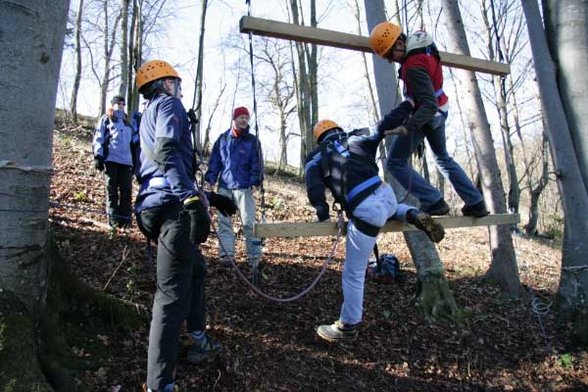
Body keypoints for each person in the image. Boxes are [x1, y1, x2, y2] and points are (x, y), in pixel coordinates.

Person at [134, 59, 237, 392]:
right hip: (173, 209)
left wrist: (210, 197)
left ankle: (197, 337)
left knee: (196, 271)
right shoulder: (168, 104)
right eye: (176, 83)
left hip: (155, 205)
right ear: (165, 84)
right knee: (171, 295)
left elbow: (159, 169)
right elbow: (167, 153)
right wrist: (191, 202)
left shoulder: (146, 115)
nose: (180, 90)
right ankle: (159, 384)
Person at [305, 101, 445, 343]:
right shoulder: (357, 139)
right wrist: (408, 105)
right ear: (337, 130)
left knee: (353, 273)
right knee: (389, 209)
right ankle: (411, 213)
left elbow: (315, 190)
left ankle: (347, 326)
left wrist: (322, 213)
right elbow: (383, 125)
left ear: (319, 139)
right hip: (386, 194)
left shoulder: (316, 159)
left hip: (366, 208)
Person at [369, 22, 489, 218]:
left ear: (400, 42)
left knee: (395, 162)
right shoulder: (422, 47)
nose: (391, 60)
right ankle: (475, 202)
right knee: (443, 158)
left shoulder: (412, 66)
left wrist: (409, 126)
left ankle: (433, 200)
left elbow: (428, 105)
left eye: (390, 54)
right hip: (441, 111)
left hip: (427, 115)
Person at [204, 106, 264, 274]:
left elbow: (256, 163)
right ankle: (226, 255)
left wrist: (255, 182)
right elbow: (215, 162)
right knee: (224, 223)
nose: (244, 120)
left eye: (246, 117)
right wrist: (210, 179)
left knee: (249, 224)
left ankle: (254, 257)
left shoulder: (253, 141)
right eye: (241, 117)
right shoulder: (223, 139)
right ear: (234, 119)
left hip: (245, 188)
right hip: (225, 187)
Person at [92, 95, 134, 228]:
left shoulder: (128, 122)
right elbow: (98, 137)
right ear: (113, 105)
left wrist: (136, 163)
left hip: (126, 162)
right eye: (118, 103)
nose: (121, 106)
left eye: (123, 104)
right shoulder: (106, 119)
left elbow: (133, 143)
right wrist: (98, 156)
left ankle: (126, 220)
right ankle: (114, 221)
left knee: (126, 191)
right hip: (111, 160)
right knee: (112, 191)